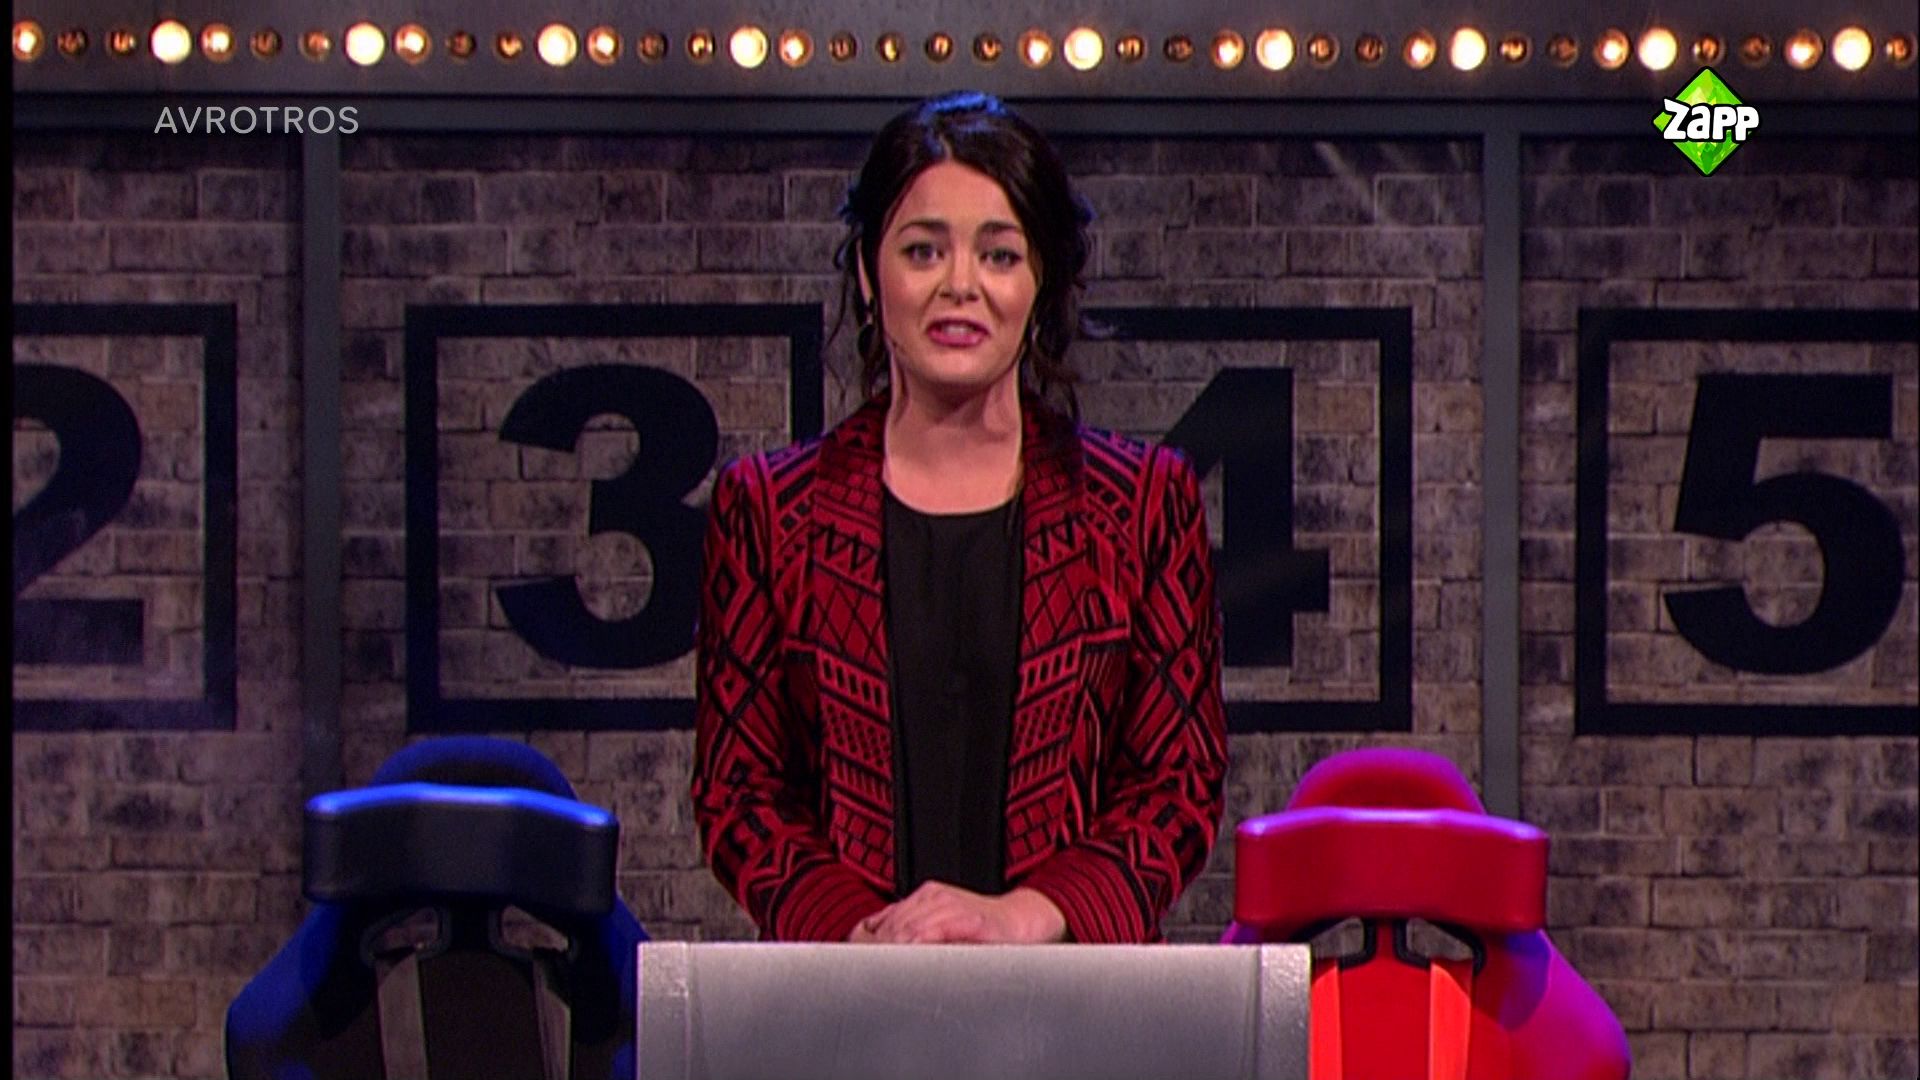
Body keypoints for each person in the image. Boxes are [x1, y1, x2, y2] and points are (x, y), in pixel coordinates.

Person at [692, 90, 1226, 945]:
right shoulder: (768, 511)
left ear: (1040, 282)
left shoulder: (1140, 506)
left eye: (999, 254)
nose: (960, 286)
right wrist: (865, 935)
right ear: (867, 274)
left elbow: (1178, 786)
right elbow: (739, 794)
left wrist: (1021, 918)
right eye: (923, 250)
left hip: (1069, 996)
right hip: (846, 996)